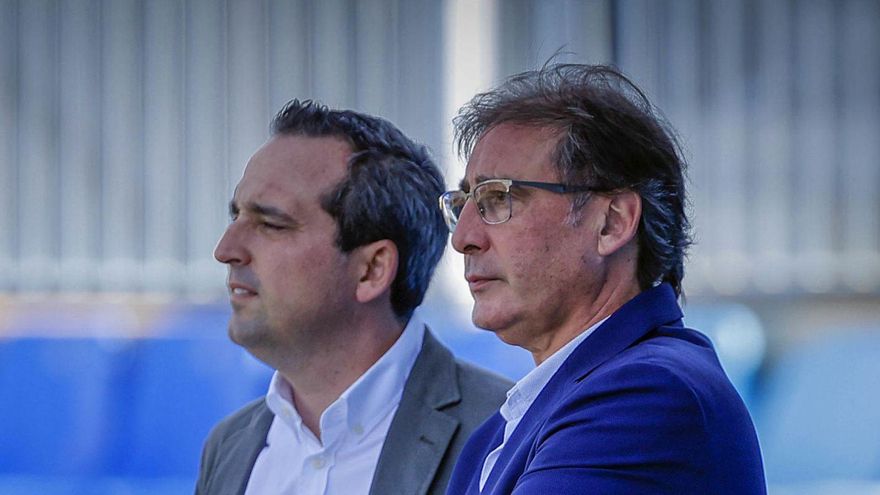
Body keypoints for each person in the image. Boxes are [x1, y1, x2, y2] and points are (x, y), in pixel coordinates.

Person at [440, 64, 766, 494]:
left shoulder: (646, 397)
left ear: (612, 223)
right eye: (463, 203)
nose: (464, 238)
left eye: (498, 198)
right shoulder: (503, 429)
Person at [196, 100, 511, 495]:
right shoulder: (231, 446)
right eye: (236, 217)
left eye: (271, 224)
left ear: (372, 269)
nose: (226, 249)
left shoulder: (505, 434)